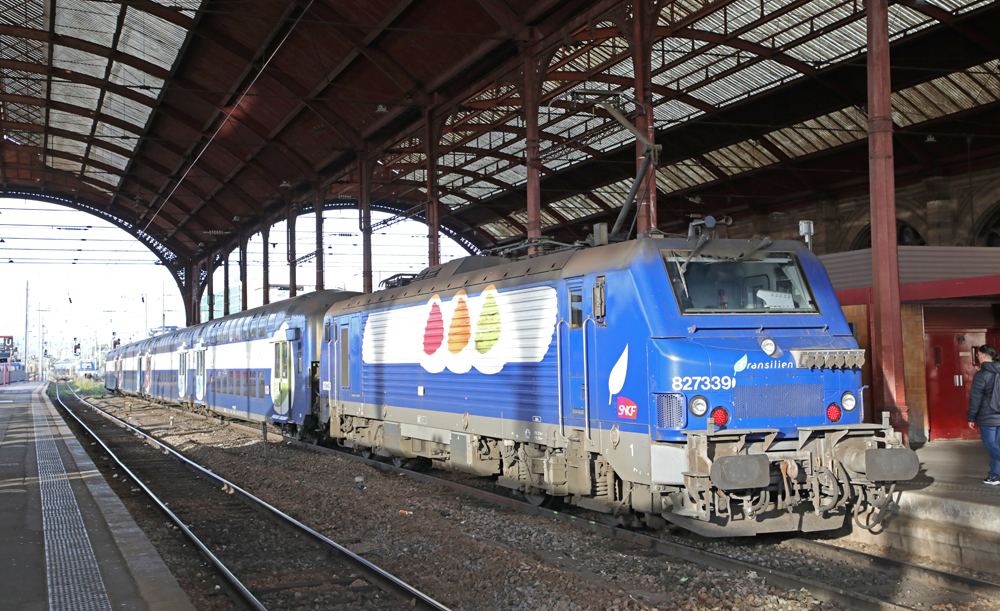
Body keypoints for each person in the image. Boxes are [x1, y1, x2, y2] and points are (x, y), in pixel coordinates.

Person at [967, 344, 1000, 485]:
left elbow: (976, 398)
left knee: (990, 445)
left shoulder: (982, 374)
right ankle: (994, 475)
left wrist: (971, 417)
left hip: (988, 416)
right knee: (994, 445)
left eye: (979, 354)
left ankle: (994, 474)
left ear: (985, 356)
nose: (978, 357)